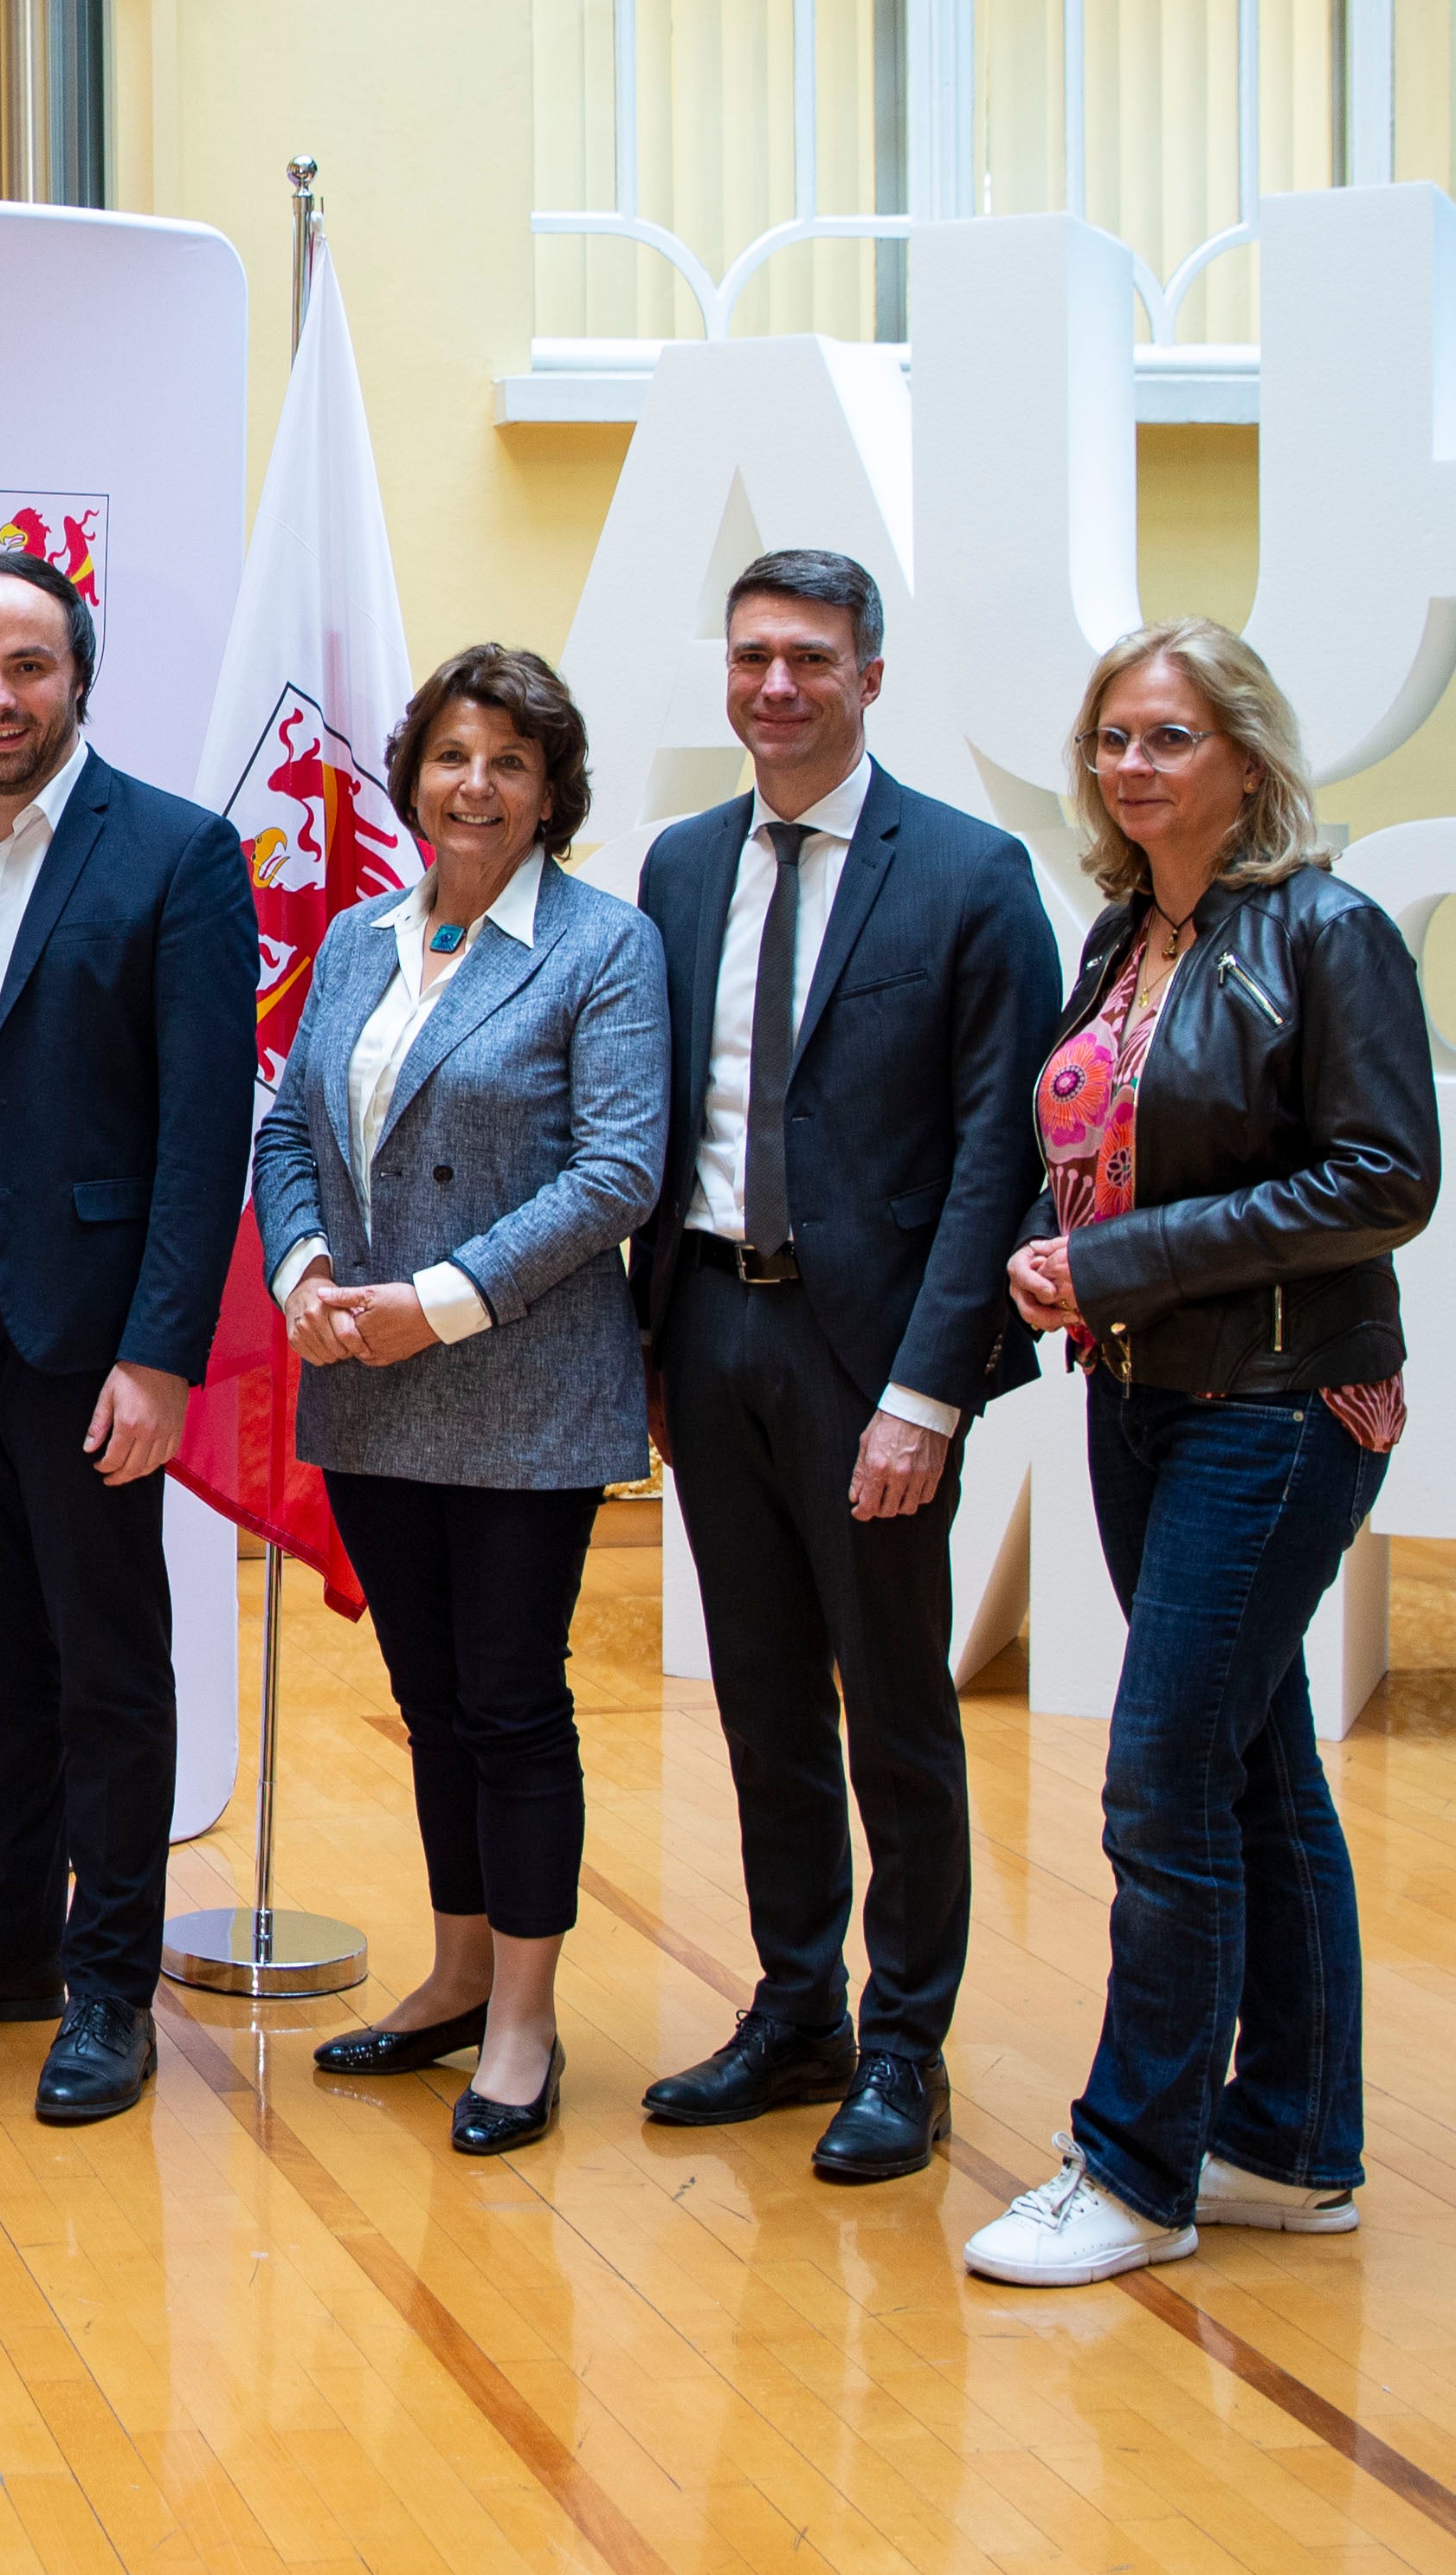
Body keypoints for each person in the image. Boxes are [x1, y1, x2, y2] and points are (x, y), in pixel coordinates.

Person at [963, 620, 1436, 2288]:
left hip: (1284, 1403)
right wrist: (1050, 1247)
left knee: (1159, 1772)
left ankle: (1135, 2168)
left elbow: (1381, 1178)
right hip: (1138, 1390)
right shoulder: (1116, 937)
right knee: (1251, 1761)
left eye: (1167, 736)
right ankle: (1294, 2147)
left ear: (1245, 755)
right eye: (1110, 738)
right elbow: (1090, 1147)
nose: (1131, 765)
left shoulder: (1327, 934)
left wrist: (1124, 1260)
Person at [624, 549, 1058, 2185]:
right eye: (751, 655)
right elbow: (652, 1125)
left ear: (870, 676)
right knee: (755, 1700)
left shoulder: (965, 872)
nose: (776, 685)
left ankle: (904, 2045)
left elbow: (992, 1158)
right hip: (710, 1328)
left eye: (810, 656)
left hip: (869, 1352)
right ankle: (793, 2006)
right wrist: (648, 1348)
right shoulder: (675, 867)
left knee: (892, 1708)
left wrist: (928, 1392)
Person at [0, 550, 254, 2127]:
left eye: (27, 666)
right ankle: (5, 1935)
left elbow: (204, 1132)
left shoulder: (176, 853)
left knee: (106, 1666)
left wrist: (159, 1353)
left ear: (81, 673)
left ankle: (106, 1980)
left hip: (90, 1340)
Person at [263, 645, 667, 2158]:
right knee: (429, 1703)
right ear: (410, 776)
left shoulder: (603, 947)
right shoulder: (363, 939)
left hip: (514, 1385)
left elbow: (616, 1170)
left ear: (551, 787)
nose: (474, 785)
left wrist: (424, 1308)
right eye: (449, 755)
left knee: (509, 1702)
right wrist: (304, 1267)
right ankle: (450, 1970)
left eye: (507, 759)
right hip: (365, 1385)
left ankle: (523, 2019)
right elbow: (286, 1123)